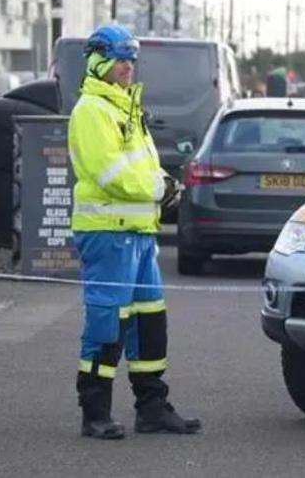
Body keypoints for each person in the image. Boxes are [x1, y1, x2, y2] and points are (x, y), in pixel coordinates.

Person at [69, 24, 200, 439]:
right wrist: (159, 188)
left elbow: (141, 166)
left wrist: (165, 182)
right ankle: (95, 412)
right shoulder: (92, 110)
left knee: (149, 323)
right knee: (107, 323)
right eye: (119, 58)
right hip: (108, 232)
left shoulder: (125, 105)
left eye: (130, 58)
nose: (127, 66)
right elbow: (111, 173)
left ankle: (153, 409)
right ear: (98, 61)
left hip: (138, 232)